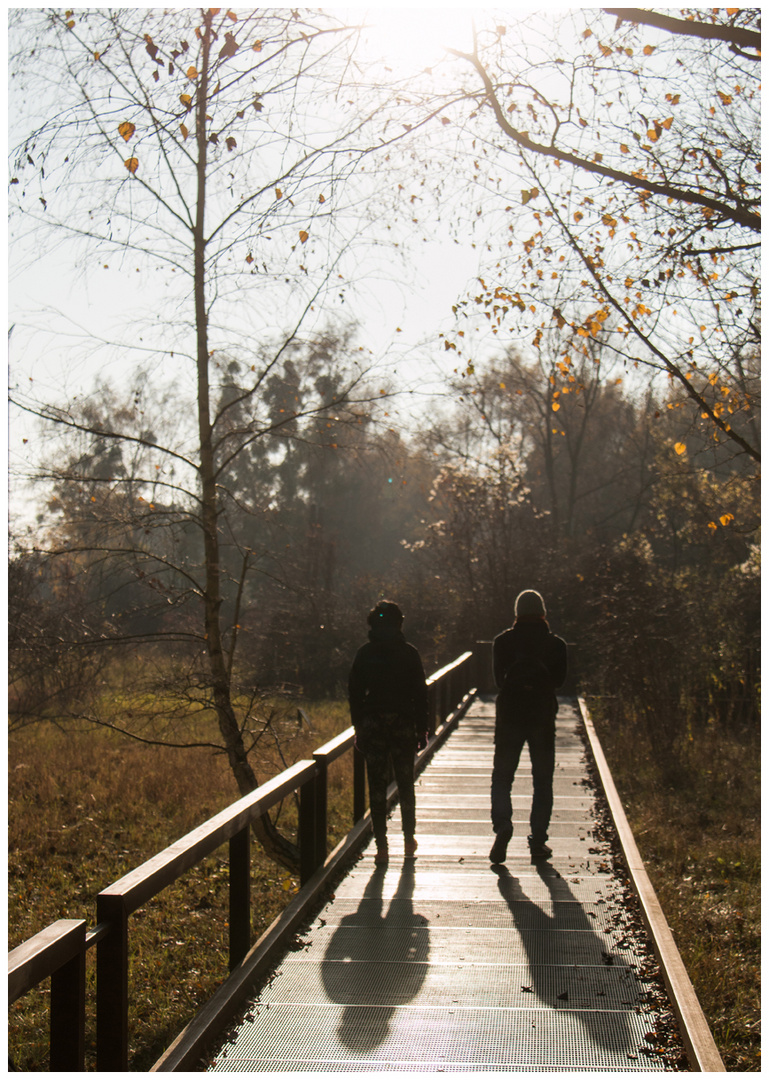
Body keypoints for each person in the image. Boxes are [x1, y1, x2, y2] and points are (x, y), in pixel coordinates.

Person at [348, 600, 429, 867]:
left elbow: (355, 694)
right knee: (406, 783)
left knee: (377, 786)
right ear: (399, 624)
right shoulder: (409, 653)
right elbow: (420, 692)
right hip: (403, 723)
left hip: (373, 724)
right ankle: (408, 839)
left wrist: (359, 727)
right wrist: (422, 727)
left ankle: (381, 847)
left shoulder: (364, 653)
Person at [489, 589, 568, 863]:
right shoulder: (557, 645)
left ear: (517, 613)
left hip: (510, 715)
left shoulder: (502, 642)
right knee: (542, 780)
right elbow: (558, 681)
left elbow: (499, 682)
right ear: (543, 612)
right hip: (541, 717)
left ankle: (503, 826)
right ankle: (538, 841)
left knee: (502, 777)